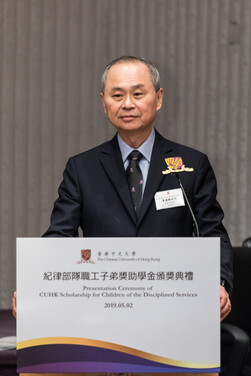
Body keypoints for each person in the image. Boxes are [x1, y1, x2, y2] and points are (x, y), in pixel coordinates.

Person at [13, 56, 232, 376]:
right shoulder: (82, 168)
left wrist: (220, 281)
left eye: (138, 93)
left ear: (158, 98)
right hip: (102, 320)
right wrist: (36, 284)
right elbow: (59, 235)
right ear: (104, 103)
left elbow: (212, 231)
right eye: (117, 95)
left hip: (173, 317)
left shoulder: (191, 164)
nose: (127, 104)